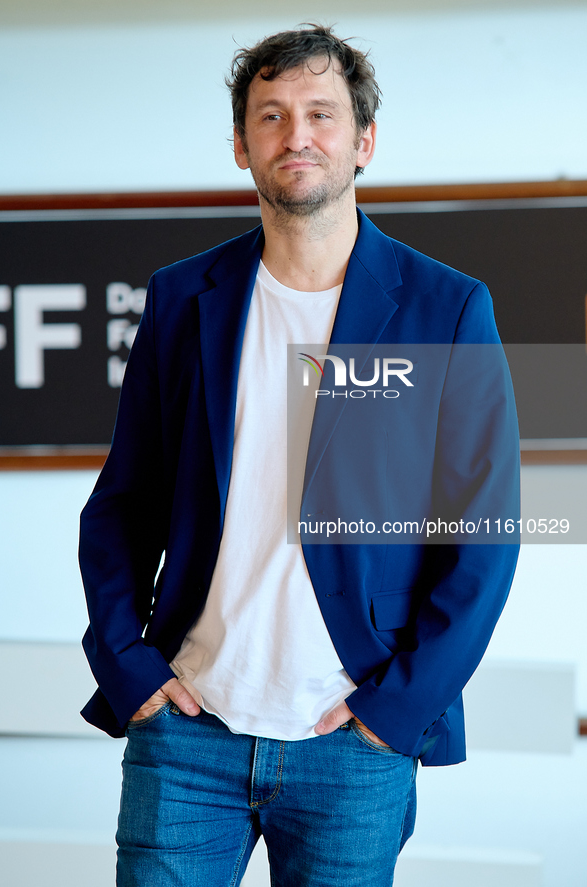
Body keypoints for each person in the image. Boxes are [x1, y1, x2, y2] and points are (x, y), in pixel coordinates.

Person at [79, 24, 520, 887]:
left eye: (321, 113)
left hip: (351, 740)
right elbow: (122, 504)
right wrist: (128, 666)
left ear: (363, 141)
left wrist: (395, 709)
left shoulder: (446, 308)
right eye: (271, 116)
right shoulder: (182, 298)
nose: (297, 135)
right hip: (187, 734)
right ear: (242, 145)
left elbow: (482, 536)